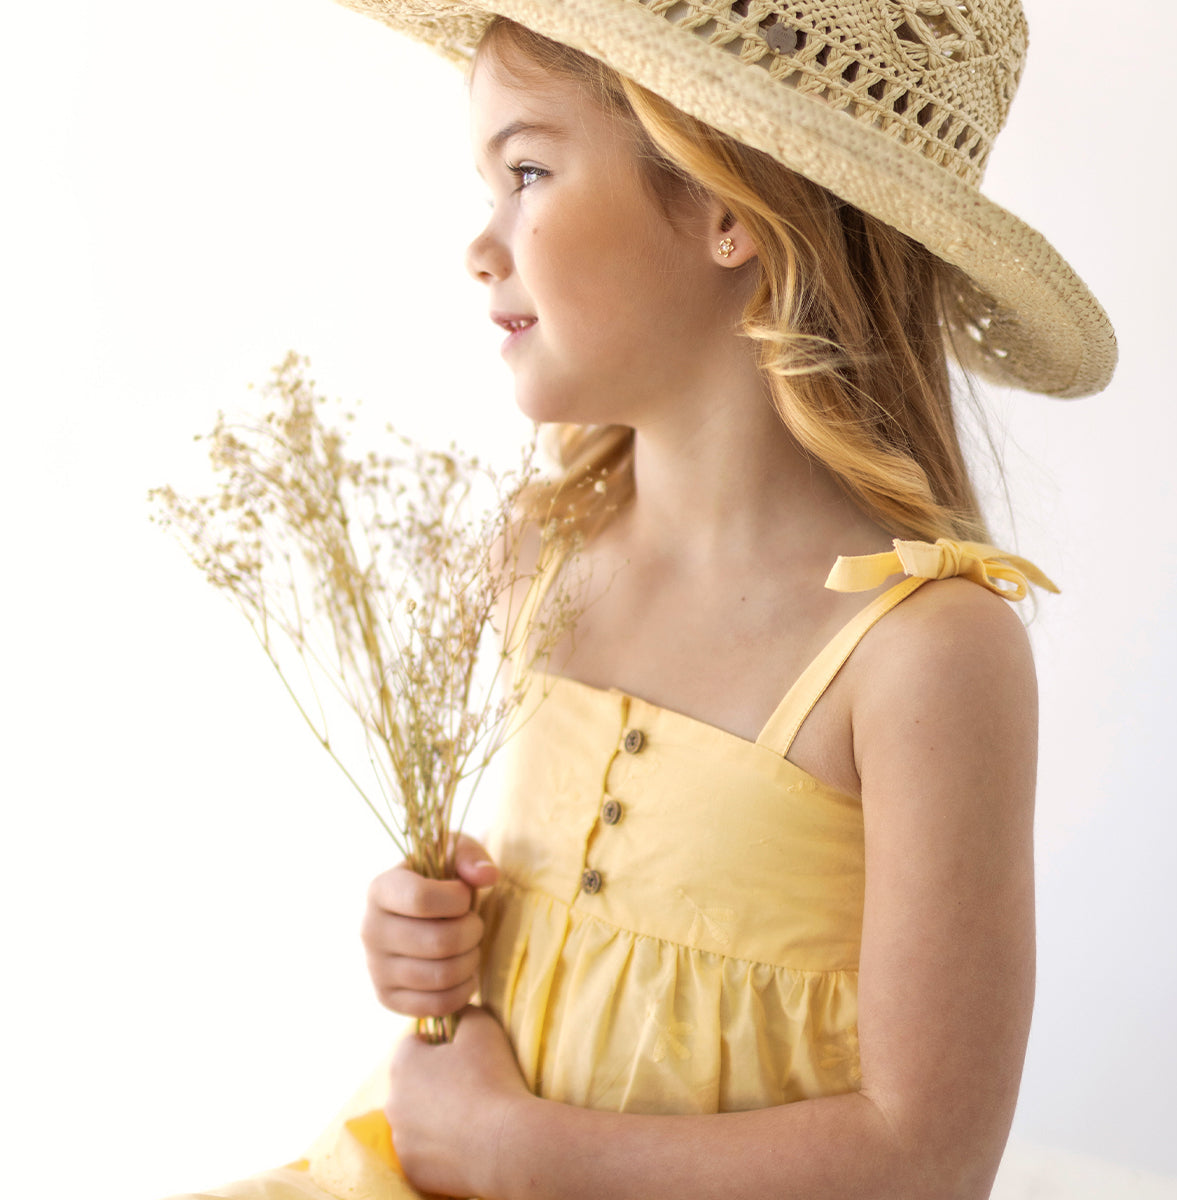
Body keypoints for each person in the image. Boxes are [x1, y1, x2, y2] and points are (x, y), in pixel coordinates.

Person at [171, 2, 1115, 1198]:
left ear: (728, 209)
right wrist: (439, 932)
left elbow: (926, 1161)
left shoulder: (924, 653)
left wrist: (522, 1154)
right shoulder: (544, 555)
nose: (480, 243)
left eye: (527, 171)